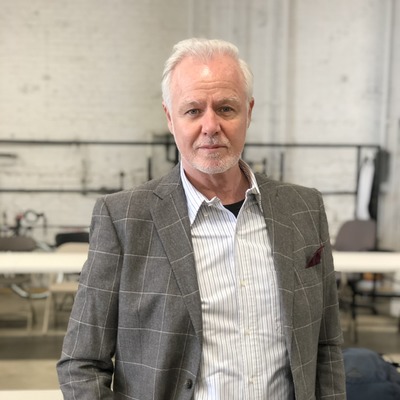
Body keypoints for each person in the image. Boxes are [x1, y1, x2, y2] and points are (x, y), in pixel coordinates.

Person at [57, 37, 346, 400]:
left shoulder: (303, 208)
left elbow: (326, 346)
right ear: (170, 117)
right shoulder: (124, 219)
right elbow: (81, 364)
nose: (211, 126)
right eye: (193, 111)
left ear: (249, 112)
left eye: (226, 108)